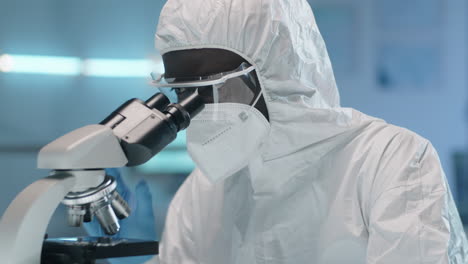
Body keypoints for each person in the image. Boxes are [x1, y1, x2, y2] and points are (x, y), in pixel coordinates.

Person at [99, 0, 468, 263]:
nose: (195, 110)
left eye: (212, 89)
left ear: (277, 71)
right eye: (181, 92)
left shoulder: (390, 160)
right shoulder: (204, 189)